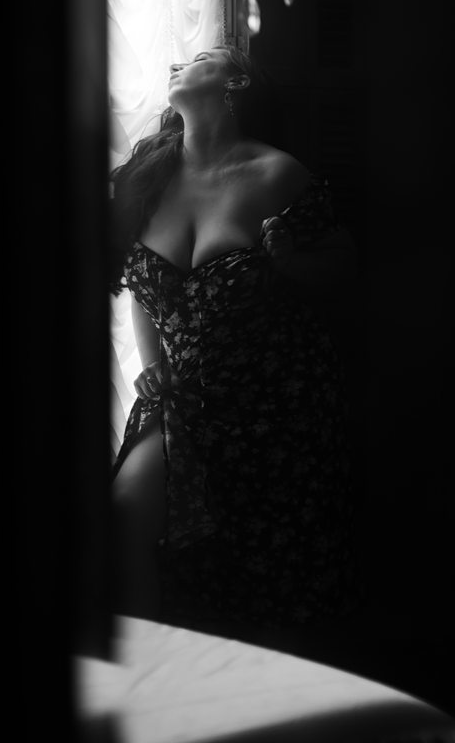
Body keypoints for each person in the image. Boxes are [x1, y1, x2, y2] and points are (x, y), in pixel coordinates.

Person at [108, 46, 361, 646]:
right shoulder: (147, 181)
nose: (177, 63)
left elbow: (345, 267)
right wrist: (153, 366)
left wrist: (293, 262)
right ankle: (153, 696)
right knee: (124, 516)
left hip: (277, 409)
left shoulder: (277, 174)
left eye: (200, 57)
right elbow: (146, 289)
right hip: (184, 405)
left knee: (269, 579)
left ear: (235, 82)